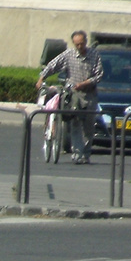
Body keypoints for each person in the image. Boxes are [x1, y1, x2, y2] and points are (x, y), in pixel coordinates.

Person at [39, 30, 104, 164]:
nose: (80, 47)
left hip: (89, 94)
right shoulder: (69, 55)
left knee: (88, 126)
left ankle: (85, 153)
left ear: (86, 42)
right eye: (77, 45)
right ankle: (77, 153)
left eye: (82, 44)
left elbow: (99, 75)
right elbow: (53, 65)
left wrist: (85, 83)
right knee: (75, 123)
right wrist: (42, 78)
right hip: (73, 94)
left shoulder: (94, 55)